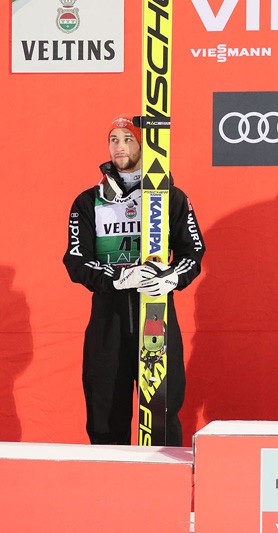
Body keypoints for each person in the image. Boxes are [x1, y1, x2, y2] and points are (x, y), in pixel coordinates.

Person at [63, 115, 205, 445]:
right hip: (107, 318)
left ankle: (163, 475)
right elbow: (76, 260)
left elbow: (193, 251)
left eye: (128, 139)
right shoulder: (88, 200)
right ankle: (109, 476)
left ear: (143, 146)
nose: (119, 146)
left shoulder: (170, 197)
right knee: (104, 415)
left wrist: (172, 277)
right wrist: (119, 277)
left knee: (161, 411)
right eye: (113, 139)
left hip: (156, 314)